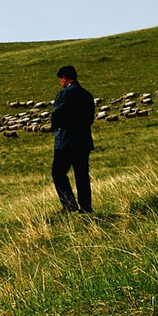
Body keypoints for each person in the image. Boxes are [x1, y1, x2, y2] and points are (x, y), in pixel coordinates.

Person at [51, 65, 95, 213]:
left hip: (66, 141)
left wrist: (56, 127)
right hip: (83, 140)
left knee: (58, 173)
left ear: (64, 78)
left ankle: (69, 205)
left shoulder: (64, 94)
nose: (60, 82)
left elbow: (56, 117)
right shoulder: (87, 94)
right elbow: (90, 118)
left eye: (60, 79)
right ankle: (86, 207)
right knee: (81, 174)